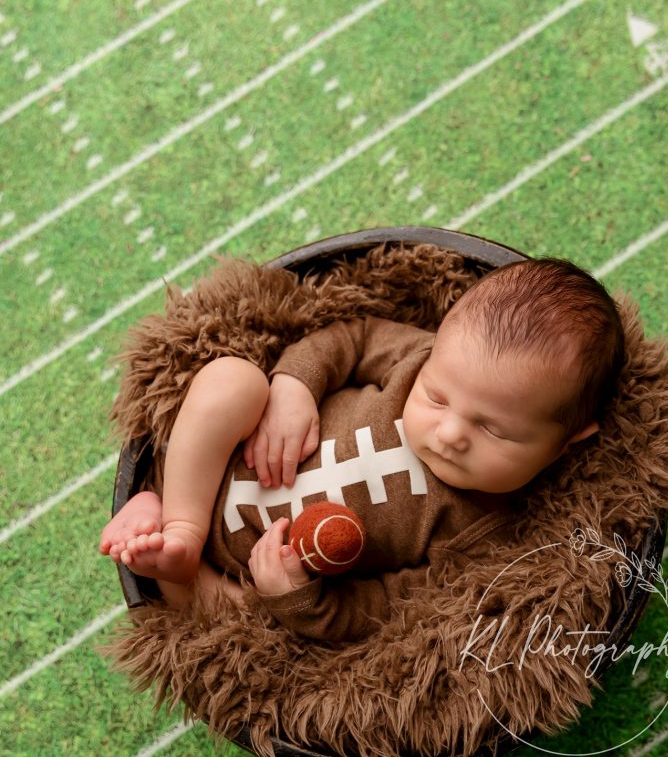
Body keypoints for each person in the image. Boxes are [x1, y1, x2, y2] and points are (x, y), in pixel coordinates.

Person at [99, 256, 625, 641]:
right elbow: (352, 335)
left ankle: (172, 566)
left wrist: (297, 599)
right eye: (437, 398)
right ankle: (180, 520)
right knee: (234, 381)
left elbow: (389, 608)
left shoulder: (487, 535)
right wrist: (295, 387)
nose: (450, 433)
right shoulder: (417, 355)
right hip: (217, 462)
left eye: (496, 432)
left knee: (258, 627)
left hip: (243, 576)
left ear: (565, 446)